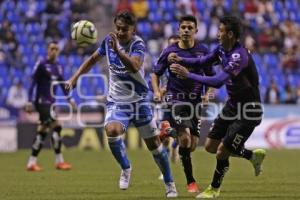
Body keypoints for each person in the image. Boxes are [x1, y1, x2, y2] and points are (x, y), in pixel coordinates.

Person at [65, 11, 177, 198]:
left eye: (124, 29)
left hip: (139, 101)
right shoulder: (108, 42)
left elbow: (134, 66)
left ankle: (170, 184)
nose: (119, 32)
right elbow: (92, 59)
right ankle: (126, 168)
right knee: (112, 131)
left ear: (133, 29)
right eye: (117, 28)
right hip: (118, 101)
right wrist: (74, 77)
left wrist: (117, 50)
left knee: (155, 147)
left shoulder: (138, 44)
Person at [169, 16, 266, 198]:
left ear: (229, 34)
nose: (217, 34)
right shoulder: (222, 49)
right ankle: (252, 156)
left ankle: (213, 189)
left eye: (220, 31)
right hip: (232, 106)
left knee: (222, 151)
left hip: (249, 111)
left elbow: (218, 81)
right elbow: (203, 61)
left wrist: (188, 75)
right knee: (210, 147)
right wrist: (181, 59)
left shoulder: (239, 56)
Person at [152, 15, 215, 193]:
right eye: (183, 27)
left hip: (195, 101)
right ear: (179, 30)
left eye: (189, 27)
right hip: (176, 98)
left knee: (192, 145)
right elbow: (155, 73)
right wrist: (157, 91)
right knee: (185, 139)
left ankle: (168, 131)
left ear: (196, 30)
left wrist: (209, 93)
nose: (186, 30)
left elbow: (211, 76)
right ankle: (191, 182)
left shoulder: (203, 51)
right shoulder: (170, 51)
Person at [25, 41, 75, 172]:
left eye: (56, 49)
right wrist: (29, 101)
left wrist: (70, 99)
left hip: (51, 103)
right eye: (52, 48)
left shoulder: (59, 66)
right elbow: (32, 83)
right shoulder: (41, 64)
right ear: (47, 50)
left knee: (42, 131)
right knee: (57, 126)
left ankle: (31, 162)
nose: (54, 51)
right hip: (41, 102)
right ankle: (59, 161)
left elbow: (62, 84)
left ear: (58, 51)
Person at [152, 35, 180, 180]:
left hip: (184, 105)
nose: (173, 48)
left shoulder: (186, 62)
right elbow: (156, 78)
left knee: (183, 135)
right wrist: (159, 91)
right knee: (163, 136)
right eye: (170, 45)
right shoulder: (163, 62)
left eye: (176, 44)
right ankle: (165, 170)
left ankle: (176, 146)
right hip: (168, 105)